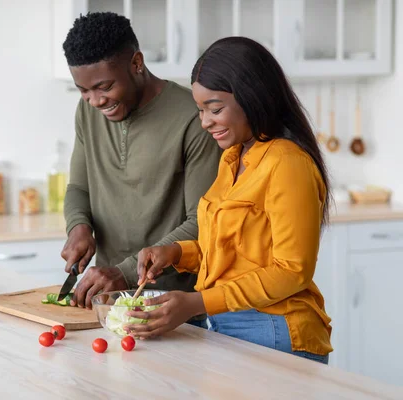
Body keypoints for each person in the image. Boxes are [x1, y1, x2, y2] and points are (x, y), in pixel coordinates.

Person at [126, 37, 333, 364]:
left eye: (215, 108)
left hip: (274, 328)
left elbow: (291, 271)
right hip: (229, 323)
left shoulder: (287, 163)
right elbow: (233, 249)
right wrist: (176, 252)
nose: (205, 121)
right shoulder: (233, 158)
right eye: (200, 110)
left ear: (253, 97)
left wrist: (196, 303)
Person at [60, 12, 223, 309]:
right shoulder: (87, 112)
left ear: (137, 63)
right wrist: (79, 227)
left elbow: (203, 221)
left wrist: (123, 272)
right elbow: (79, 188)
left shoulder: (193, 117)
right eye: (84, 91)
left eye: (105, 87)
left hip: (176, 304)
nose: (96, 101)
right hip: (108, 301)